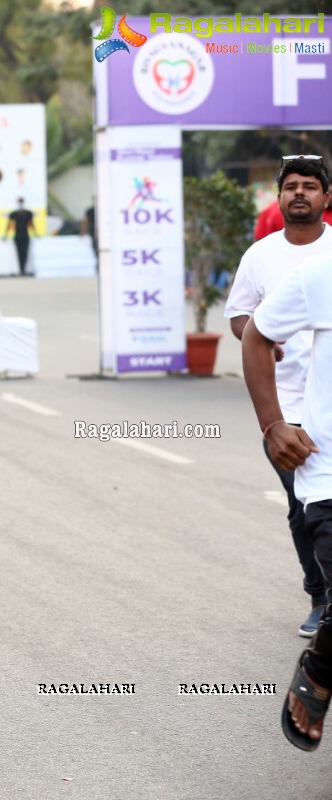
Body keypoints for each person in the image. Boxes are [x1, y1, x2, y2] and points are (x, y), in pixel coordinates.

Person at [228, 156, 332, 638]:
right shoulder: (260, 256)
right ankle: (319, 596)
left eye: (310, 186)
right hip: (287, 405)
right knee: (304, 508)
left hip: (327, 402)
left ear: (326, 198)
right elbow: (239, 318)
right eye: (291, 186)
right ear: (279, 197)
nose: (300, 193)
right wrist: (264, 334)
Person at [242, 245, 332, 753]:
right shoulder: (321, 273)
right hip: (329, 473)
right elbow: (256, 334)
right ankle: (320, 667)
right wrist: (273, 424)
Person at [5, 198, 38, 276]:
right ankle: (21, 269)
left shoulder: (28, 213)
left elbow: (31, 224)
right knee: (18, 253)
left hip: (25, 235)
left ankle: (24, 270)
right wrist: (5, 235)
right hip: (17, 235)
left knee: (25, 252)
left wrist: (36, 233)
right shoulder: (14, 214)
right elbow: (9, 224)